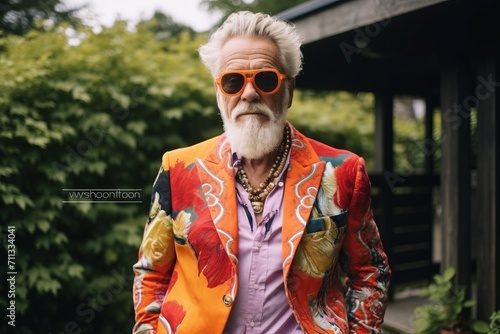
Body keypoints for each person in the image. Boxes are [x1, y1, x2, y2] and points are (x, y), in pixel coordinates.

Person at [132, 11, 391, 334]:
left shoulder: (343, 171)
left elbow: (369, 272)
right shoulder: (178, 167)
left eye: (266, 79)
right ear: (219, 93)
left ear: (289, 89)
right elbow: (151, 272)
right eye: (233, 81)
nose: (249, 93)